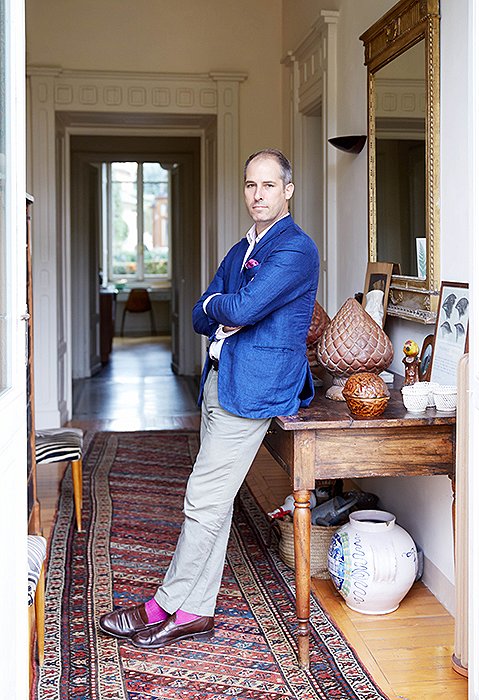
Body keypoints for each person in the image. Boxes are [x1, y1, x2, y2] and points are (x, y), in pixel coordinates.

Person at [99, 148, 320, 649]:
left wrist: (222, 305)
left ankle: (163, 605)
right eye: (250, 185)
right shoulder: (241, 249)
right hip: (221, 379)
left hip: (256, 389)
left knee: (202, 499)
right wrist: (224, 308)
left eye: (268, 185)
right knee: (214, 502)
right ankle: (196, 611)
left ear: (287, 190)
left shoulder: (295, 250)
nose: (257, 194)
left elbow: (238, 305)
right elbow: (202, 315)